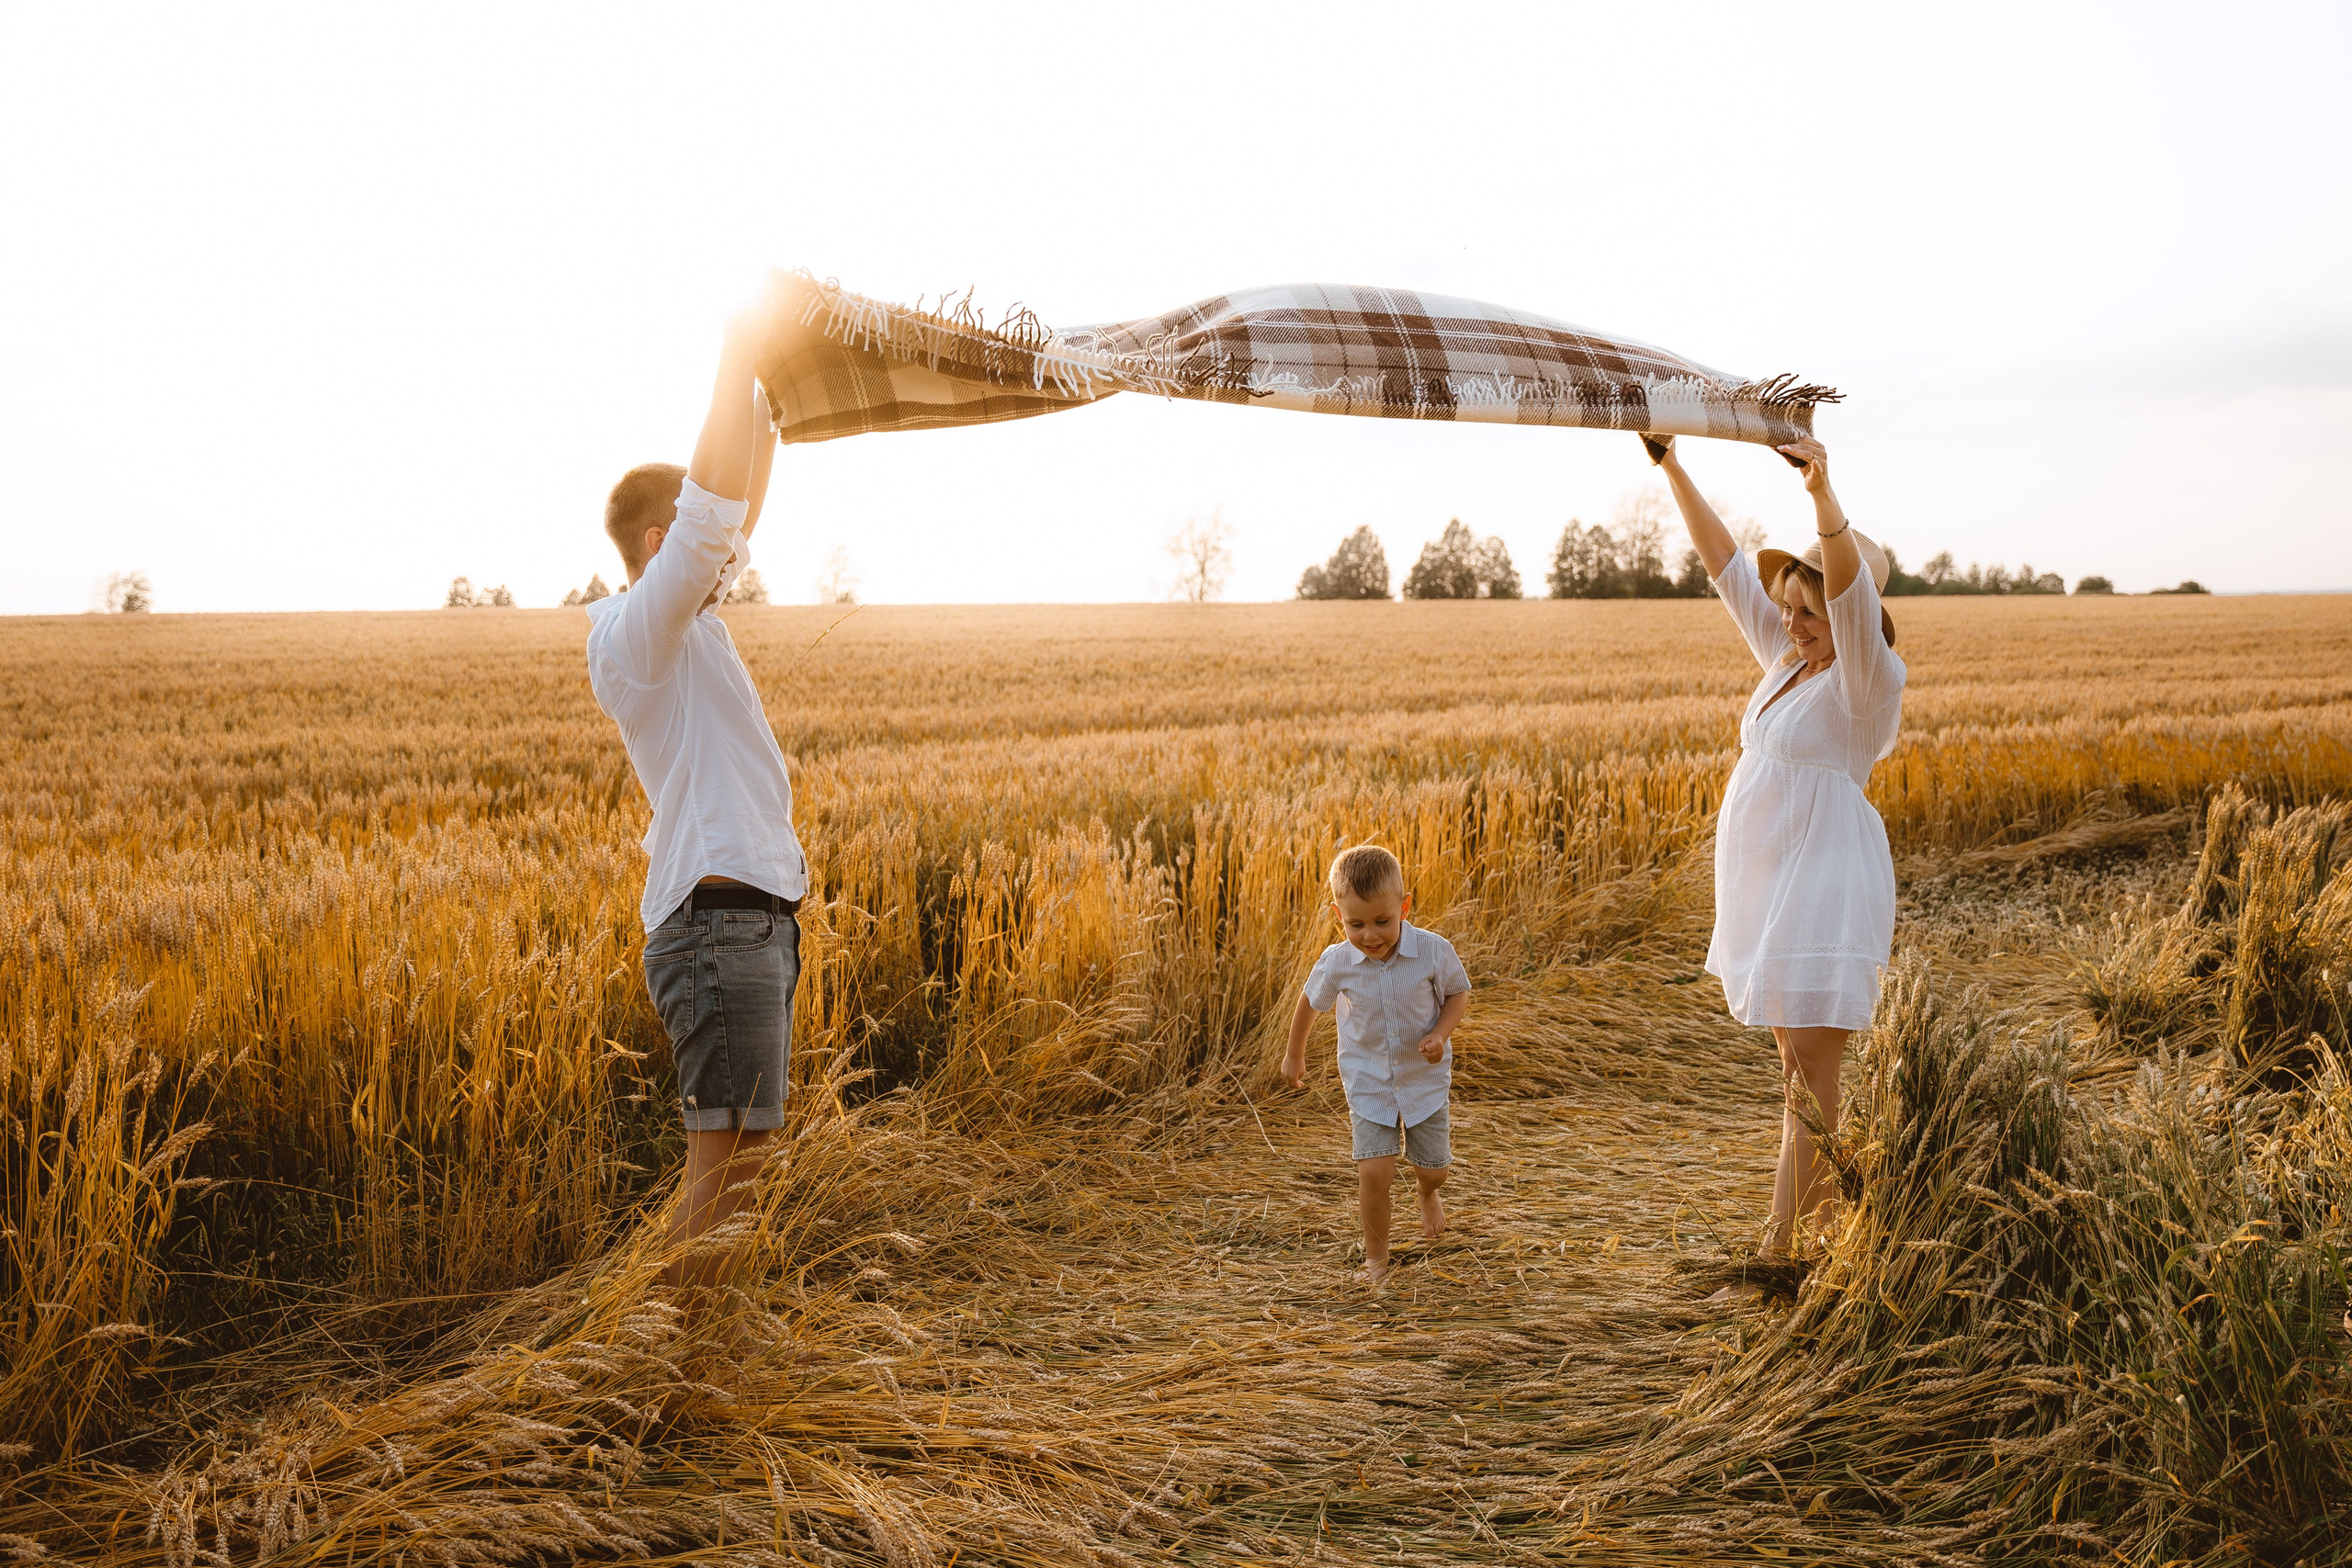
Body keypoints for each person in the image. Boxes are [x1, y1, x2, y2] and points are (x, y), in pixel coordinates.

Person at [587, 280, 808, 1287]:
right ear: (655, 544)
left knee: (743, 1170)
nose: (723, 555)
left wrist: (767, 391)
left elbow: (736, 501)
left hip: (746, 923)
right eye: (691, 536)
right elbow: (716, 513)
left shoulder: (692, 624)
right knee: (723, 1181)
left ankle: (696, 1358)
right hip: (717, 928)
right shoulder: (631, 637)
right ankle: (673, 1372)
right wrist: (736, 346)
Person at [1649, 431, 1905, 1257]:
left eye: (1809, 608)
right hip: (1776, 883)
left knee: (1813, 1076)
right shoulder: (1787, 662)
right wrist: (1672, 467)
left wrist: (1821, 494)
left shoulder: (1865, 681)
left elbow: (1854, 597)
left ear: (1846, 611)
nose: (1792, 622)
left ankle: (1778, 1247)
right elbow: (1726, 566)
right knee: (1796, 1072)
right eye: (1788, 606)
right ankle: (1820, 1232)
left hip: (1825, 880)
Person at [1281, 846, 1473, 1285]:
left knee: (1434, 1169)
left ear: (1404, 906)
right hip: (1368, 1082)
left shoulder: (1431, 952)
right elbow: (1310, 1002)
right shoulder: (1337, 963)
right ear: (1338, 915)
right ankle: (1377, 1260)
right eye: (1356, 924)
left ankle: (1427, 1193)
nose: (1370, 935)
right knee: (1374, 1171)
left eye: (1383, 921)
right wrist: (1295, 1053)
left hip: (1422, 1078)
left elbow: (1458, 993)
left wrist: (1440, 1034)